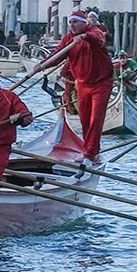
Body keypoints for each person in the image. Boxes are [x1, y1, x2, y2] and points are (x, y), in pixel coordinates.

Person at [54, 11, 113, 164]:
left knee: (96, 119)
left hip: (101, 83)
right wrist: (41, 66)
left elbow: (100, 40)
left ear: (84, 23)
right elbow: (58, 54)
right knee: (85, 120)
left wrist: (85, 37)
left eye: (75, 22)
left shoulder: (94, 31)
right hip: (82, 84)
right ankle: (91, 152)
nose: (72, 25)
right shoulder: (69, 38)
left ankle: (89, 153)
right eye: (70, 22)